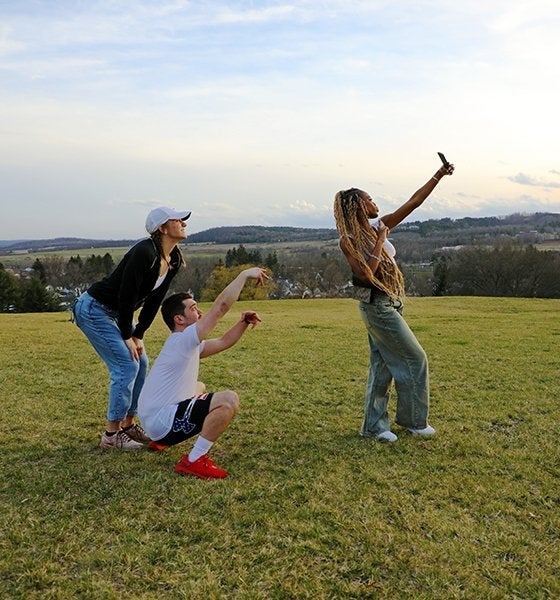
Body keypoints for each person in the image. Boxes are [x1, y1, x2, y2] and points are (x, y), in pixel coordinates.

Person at [334, 159, 455, 442]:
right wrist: (379, 240)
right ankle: (414, 422)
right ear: (358, 206)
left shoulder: (378, 225)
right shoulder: (349, 239)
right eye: (370, 199)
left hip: (391, 303)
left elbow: (413, 203)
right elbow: (366, 275)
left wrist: (439, 174)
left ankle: (374, 427)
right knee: (416, 357)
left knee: (383, 366)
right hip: (376, 305)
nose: (375, 203)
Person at [73, 206, 191, 450]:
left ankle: (128, 425)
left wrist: (138, 335)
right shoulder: (144, 252)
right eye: (178, 220)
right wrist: (127, 334)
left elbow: (155, 300)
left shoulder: (174, 258)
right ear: (162, 228)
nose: (184, 223)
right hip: (94, 309)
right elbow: (127, 295)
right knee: (126, 365)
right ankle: (111, 436)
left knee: (142, 362)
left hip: (117, 313)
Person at [138, 267, 268, 479]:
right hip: (160, 423)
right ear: (179, 319)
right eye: (194, 308)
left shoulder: (185, 344)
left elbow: (224, 342)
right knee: (229, 400)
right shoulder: (183, 340)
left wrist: (243, 322)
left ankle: (160, 441)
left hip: (155, 424)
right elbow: (221, 307)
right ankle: (194, 460)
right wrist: (244, 275)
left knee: (199, 386)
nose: (200, 313)